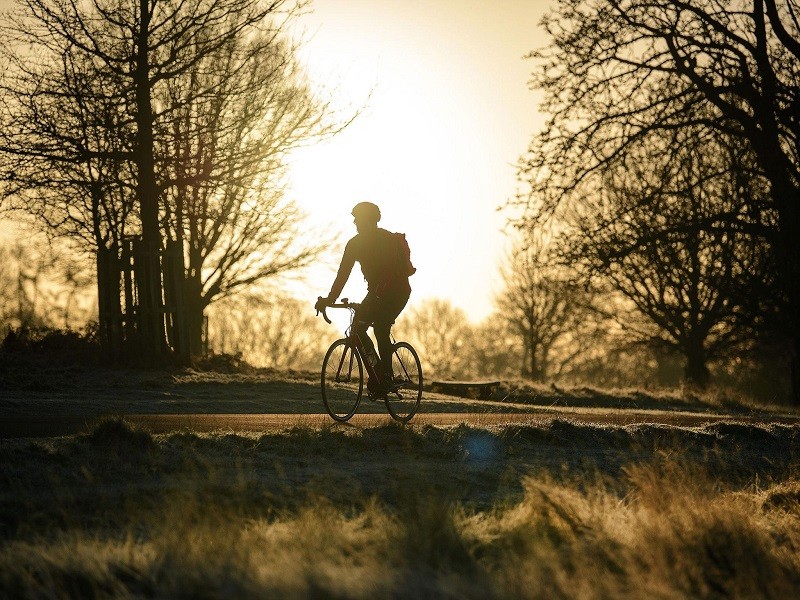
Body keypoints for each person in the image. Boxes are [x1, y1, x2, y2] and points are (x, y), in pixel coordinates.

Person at [315, 202, 413, 395]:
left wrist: (375, 296)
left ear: (370, 220)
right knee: (358, 329)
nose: (355, 222)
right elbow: (342, 274)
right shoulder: (354, 244)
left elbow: (389, 272)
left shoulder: (386, 240)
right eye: (354, 218)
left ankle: (386, 376)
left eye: (358, 218)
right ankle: (377, 371)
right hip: (376, 293)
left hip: (397, 292)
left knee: (380, 327)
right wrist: (329, 299)